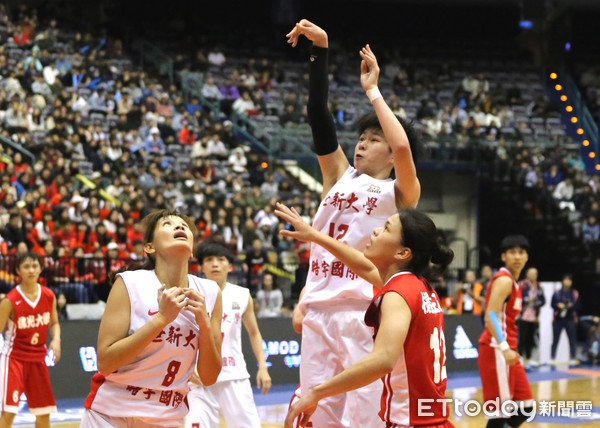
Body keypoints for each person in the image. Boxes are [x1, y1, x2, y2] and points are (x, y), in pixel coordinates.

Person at [286, 20, 421, 427]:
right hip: (319, 309)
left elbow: (401, 144)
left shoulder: (400, 193)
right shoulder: (338, 175)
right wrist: (320, 52)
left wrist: (373, 91)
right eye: (362, 136)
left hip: (364, 310)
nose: (362, 142)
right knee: (315, 413)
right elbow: (316, 113)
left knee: (362, 416)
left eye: (373, 138)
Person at [275, 203, 454, 428]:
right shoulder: (419, 287)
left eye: (387, 229)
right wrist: (314, 235)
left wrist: (316, 393)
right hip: (431, 419)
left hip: (412, 423)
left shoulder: (398, 294)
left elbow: (382, 359)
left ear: (402, 252)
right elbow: (361, 265)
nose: (376, 231)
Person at [81, 209, 223, 427]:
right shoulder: (130, 283)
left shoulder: (210, 292)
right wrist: (161, 320)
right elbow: (105, 362)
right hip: (110, 414)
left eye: (184, 225)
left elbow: (209, 377)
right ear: (149, 247)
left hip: (166, 417)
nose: (179, 226)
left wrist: (203, 323)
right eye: (168, 224)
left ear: (192, 250)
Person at [185, 242, 271, 428]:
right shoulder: (191, 294)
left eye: (220, 259)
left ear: (230, 266)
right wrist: (188, 369)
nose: (215, 264)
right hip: (200, 379)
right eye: (209, 260)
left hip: (234, 375)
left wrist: (262, 366)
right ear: (201, 267)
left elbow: (254, 333)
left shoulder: (242, 294)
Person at [0, 252, 61, 428]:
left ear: (40, 269)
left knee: (43, 413)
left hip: (38, 358)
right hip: (14, 359)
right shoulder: (9, 301)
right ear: (18, 271)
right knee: (9, 412)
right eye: (26, 266)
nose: (31, 270)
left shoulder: (49, 296)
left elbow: (55, 322)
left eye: (34, 266)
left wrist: (56, 340)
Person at [478, 235, 534, 428]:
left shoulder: (515, 282)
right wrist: (504, 347)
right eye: (512, 252)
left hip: (508, 350)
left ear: (527, 257)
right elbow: (490, 316)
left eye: (521, 252)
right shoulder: (504, 280)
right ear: (504, 256)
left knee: (526, 407)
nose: (517, 257)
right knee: (500, 413)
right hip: (496, 348)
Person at [518, 267, 545, 367]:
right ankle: (520, 357)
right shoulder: (522, 285)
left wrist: (537, 303)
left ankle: (529, 359)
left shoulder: (539, 286)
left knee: (530, 338)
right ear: (527, 274)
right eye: (532, 273)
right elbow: (518, 298)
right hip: (523, 316)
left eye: (535, 273)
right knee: (522, 338)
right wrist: (527, 300)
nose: (534, 275)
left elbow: (543, 300)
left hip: (534, 317)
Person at [550, 274, 580, 366]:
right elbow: (552, 304)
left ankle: (573, 357)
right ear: (563, 281)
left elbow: (578, 306)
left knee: (572, 339)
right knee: (555, 339)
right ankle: (552, 358)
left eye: (569, 280)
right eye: (565, 280)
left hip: (570, 318)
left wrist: (569, 307)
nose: (567, 282)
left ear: (571, 282)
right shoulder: (557, 293)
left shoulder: (574, 293)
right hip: (558, 319)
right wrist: (558, 305)